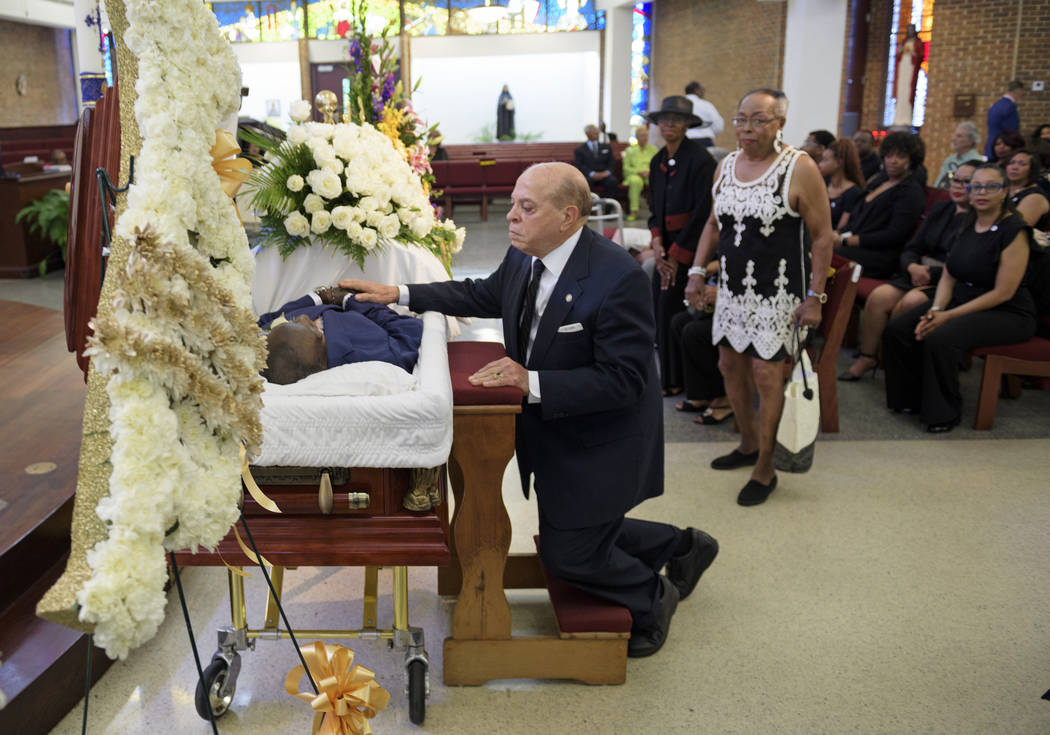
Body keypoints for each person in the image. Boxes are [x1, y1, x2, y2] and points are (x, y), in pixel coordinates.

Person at [340, 162, 719, 658]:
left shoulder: (617, 277)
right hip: (554, 426)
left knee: (567, 557)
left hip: (601, 438)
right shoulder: (527, 253)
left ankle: (653, 595)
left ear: (567, 217)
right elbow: (484, 293)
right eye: (514, 203)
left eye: (526, 207)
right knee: (574, 532)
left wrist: (529, 380)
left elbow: (625, 382)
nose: (511, 217)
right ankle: (681, 546)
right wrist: (401, 294)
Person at [688, 88, 834, 506]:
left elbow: (823, 236)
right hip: (734, 290)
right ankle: (749, 443)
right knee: (728, 366)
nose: (746, 129)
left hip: (780, 293)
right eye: (740, 119)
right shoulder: (727, 165)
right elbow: (713, 225)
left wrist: (815, 297)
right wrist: (698, 272)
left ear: (779, 124)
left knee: (767, 376)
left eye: (758, 120)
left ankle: (766, 467)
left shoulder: (799, 168)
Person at [883, 163, 1036, 432]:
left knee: (942, 336)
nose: (982, 192)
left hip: (1007, 312)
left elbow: (1004, 292)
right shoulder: (968, 222)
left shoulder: (1015, 231)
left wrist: (947, 316)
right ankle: (909, 399)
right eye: (976, 186)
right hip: (961, 299)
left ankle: (944, 412)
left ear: (1004, 192)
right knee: (898, 329)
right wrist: (937, 308)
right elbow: (949, 275)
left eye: (991, 187)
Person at [839, 161, 978, 381]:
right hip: (917, 271)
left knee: (910, 303)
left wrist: (927, 273)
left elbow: (965, 264)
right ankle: (868, 357)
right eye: (956, 180)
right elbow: (912, 246)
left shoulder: (979, 219)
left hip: (949, 282)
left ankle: (893, 361)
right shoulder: (943, 208)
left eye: (967, 182)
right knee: (879, 297)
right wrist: (912, 266)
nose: (959, 186)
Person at [645, 96, 717, 396]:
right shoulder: (657, 159)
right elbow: (655, 208)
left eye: (676, 119)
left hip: (694, 247)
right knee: (661, 309)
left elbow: (704, 213)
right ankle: (669, 378)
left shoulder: (701, 160)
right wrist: (658, 242)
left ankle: (682, 381)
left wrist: (676, 256)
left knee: (673, 308)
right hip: (668, 247)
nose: (669, 124)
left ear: (688, 124)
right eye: (664, 119)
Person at [257, 286, 424, 384]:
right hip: (364, 303)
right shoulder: (373, 355)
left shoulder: (279, 337)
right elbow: (411, 330)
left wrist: (322, 296)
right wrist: (348, 299)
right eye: (306, 326)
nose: (302, 317)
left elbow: (265, 320)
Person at [835, 131, 927, 278]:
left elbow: (894, 235)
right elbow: (857, 219)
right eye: (889, 155)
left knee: (828, 253)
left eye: (900, 156)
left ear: (912, 160)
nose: (893, 161)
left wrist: (847, 241)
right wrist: (838, 234)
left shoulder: (911, 192)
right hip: (857, 245)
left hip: (880, 256)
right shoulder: (879, 181)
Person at [669, 260, 731, 425]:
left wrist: (723, 293)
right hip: (720, 302)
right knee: (679, 322)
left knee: (695, 332)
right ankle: (702, 394)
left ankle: (724, 397)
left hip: (742, 306)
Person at [819, 138, 866, 231]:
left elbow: (841, 229)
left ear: (838, 163)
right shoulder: (823, 184)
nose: (820, 164)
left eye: (825, 160)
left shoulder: (853, 192)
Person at [1004, 149, 1050, 230]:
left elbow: (1014, 229)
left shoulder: (1035, 197)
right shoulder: (1002, 188)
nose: (1014, 167)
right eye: (1011, 163)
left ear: (1032, 169)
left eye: (1022, 164)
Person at [621, 124, 658, 221]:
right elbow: (626, 168)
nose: (645, 138)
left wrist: (650, 172)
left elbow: (658, 165)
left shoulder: (653, 150)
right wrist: (638, 172)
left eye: (646, 135)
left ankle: (658, 210)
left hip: (650, 175)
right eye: (642, 135)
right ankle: (634, 211)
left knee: (659, 181)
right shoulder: (630, 150)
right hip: (635, 175)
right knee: (635, 182)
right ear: (637, 137)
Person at [934, 121, 985, 188]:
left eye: (959, 136)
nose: (953, 139)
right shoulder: (950, 159)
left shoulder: (977, 161)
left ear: (971, 140)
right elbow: (939, 183)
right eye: (954, 135)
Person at [892, 24, 925, 128]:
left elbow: (920, 55)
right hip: (903, 67)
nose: (910, 31)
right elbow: (898, 56)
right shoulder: (903, 42)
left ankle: (907, 118)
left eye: (911, 30)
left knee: (908, 92)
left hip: (911, 68)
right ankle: (898, 118)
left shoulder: (917, 43)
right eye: (908, 30)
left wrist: (913, 53)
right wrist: (901, 52)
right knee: (901, 92)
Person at [573, 124, 619, 198]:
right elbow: (579, 165)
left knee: (612, 182)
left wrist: (606, 173)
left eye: (597, 131)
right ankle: (589, 207)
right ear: (587, 134)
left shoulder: (606, 147)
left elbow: (612, 162)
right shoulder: (579, 150)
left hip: (605, 174)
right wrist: (592, 173)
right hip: (589, 175)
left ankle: (608, 207)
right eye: (594, 132)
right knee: (585, 183)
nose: (597, 133)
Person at [986, 80, 1023, 159]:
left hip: (991, 145)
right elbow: (1011, 131)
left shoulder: (995, 105)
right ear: (1019, 91)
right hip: (1004, 148)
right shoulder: (1010, 106)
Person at [684, 81, 724, 148]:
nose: (703, 92)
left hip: (684, 142)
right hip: (704, 142)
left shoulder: (680, 105)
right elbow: (718, 125)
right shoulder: (706, 105)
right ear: (696, 90)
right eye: (702, 89)